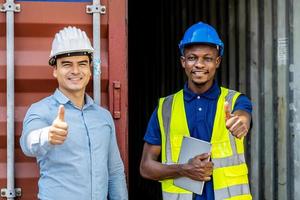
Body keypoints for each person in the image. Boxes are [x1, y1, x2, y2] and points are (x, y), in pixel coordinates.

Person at [139, 22, 253, 200]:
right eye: (192, 58)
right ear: (183, 62)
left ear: (217, 62)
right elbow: (146, 167)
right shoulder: (165, 108)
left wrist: (241, 121)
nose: (199, 64)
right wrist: (183, 169)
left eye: (207, 58)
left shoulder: (235, 101)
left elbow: (242, 116)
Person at [20, 26, 128, 200]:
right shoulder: (41, 110)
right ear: (55, 70)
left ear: (90, 69)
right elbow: (27, 143)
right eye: (67, 64)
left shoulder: (103, 116)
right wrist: (47, 135)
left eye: (82, 63)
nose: (76, 71)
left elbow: (114, 172)